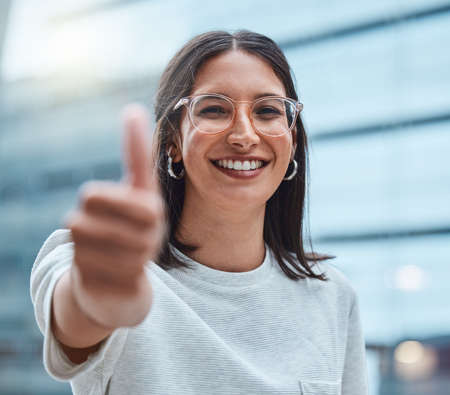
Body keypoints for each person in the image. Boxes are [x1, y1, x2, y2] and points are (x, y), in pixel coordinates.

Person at [30, 30, 368, 395]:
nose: (244, 135)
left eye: (268, 111)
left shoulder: (333, 295)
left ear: (293, 141)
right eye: (214, 109)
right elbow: (77, 314)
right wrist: (97, 300)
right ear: (173, 141)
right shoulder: (99, 262)